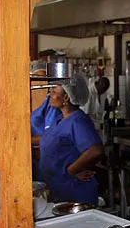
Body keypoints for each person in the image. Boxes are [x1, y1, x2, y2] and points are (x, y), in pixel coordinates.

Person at [39, 74, 105, 204]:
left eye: (54, 92)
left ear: (66, 97)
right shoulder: (60, 119)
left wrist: (71, 170)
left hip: (74, 191)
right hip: (59, 189)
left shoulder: (78, 121)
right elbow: (52, 138)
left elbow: (96, 150)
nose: (50, 95)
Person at [30, 94, 62, 181]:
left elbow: (51, 137)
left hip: (46, 160)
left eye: (55, 91)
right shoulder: (47, 102)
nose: (52, 93)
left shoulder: (53, 107)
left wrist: (24, 142)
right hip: (36, 161)